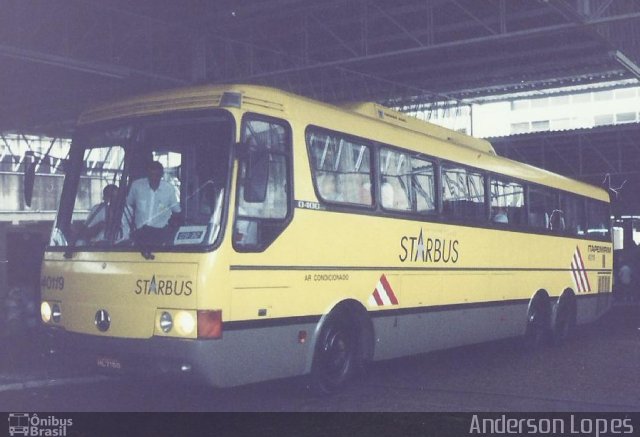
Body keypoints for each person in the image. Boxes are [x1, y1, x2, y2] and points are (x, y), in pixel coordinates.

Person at [124, 161, 181, 244]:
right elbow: (128, 207)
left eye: (157, 175)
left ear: (161, 175)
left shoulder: (169, 189)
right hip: (139, 234)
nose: (154, 178)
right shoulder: (136, 186)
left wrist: (170, 231)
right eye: (151, 175)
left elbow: (176, 211)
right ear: (147, 174)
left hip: (160, 234)